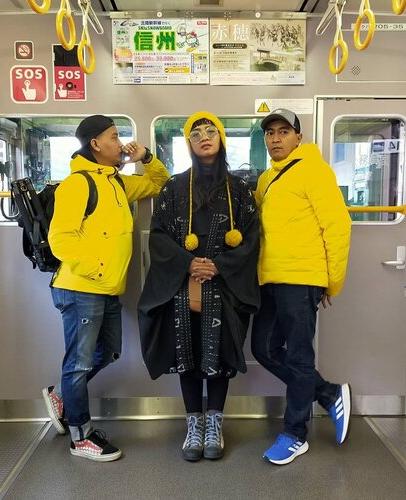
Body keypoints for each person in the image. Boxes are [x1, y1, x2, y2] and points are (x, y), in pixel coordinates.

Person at [42, 115, 169, 462]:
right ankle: (80, 436)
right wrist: (99, 271)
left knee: (108, 352)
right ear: (96, 144)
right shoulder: (78, 184)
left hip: (105, 289)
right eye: (114, 137)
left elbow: (160, 183)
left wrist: (144, 157)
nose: (119, 142)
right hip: (81, 288)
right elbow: (61, 240)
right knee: (79, 363)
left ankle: (62, 396)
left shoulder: (117, 183)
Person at [138, 111, 260, 462]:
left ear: (221, 139)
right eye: (196, 133)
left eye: (211, 131)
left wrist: (219, 265)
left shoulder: (240, 190)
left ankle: (215, 425)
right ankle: (194, 424)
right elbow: (159, 237)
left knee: (219, 358)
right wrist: (188, 263)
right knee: (187, 357)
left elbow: (251, 239)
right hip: (181, 287)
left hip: (224, 288)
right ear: (189, 144)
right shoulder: (173, 187)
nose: (204, 137)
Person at [251, 108, 352, 466]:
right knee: (263, 348)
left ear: (298, 136)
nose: (275, 139)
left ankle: (295, 434)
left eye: (283, 132)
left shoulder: (314, 170)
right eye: (270, 133)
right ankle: (327, 392)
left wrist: (331, 281)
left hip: (303, 279)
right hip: (271, 279)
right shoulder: (265, 179)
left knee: (298, 356)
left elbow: (337, 227)